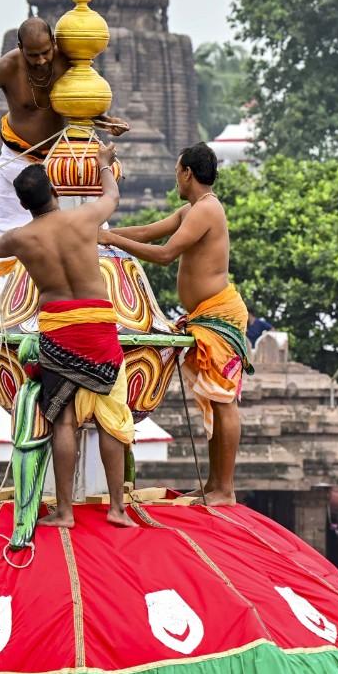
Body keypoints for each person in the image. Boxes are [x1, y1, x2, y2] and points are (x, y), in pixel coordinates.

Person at [0, 143, 132, 528]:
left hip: (59, 327)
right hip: (98, 323)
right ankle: (117, 508)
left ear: (25, 204)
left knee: (63, 421)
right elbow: (112, 195)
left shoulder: (20, 237)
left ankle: (64, 512)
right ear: (56, 193)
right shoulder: (83, 219)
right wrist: (103, 165)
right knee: (111, 417)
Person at [0, 16, 128, 331]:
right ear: (20, 49)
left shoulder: (66, 60)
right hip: (15, 161)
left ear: (54, 43)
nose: (41, 60)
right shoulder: (8, 66)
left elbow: (81, 107)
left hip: (57, 164)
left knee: (85, 235)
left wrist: (107, 122)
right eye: (33, 55)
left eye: (46, 52)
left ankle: (100, 308)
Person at [100, 143, 250, 507]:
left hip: (220, 315)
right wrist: (103, 229)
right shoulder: (192, 209)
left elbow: (165, 254)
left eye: (176, 171)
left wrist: (110, 239)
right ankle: (215, 485)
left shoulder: (207, 209)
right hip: (204, 316)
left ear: (187, 173)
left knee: (224, 401)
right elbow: (151, 231)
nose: (175, 178)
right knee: (215, 400)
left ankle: (225, 489)